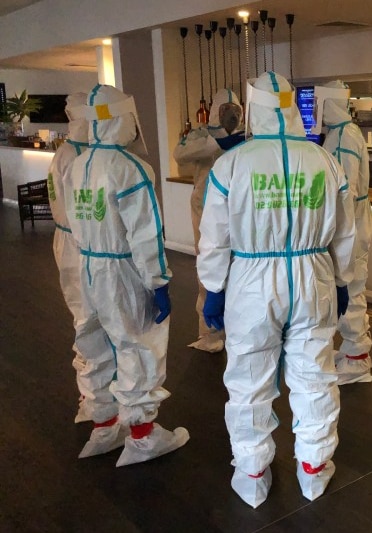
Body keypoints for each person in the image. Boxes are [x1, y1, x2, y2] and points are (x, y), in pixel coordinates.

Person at [197, 71, 355, 507]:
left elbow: (215, 236)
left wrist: (214, 287)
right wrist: (342, 281)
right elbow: (346, 233)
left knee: (249, 378)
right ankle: (313, 469)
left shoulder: (232, 163)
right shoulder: (325, 160)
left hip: (250, 282)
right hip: (314, 275)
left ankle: (252, 474)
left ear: (254, 110)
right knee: (315, 375)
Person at [64, 84, 189, 464]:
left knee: (95, 343)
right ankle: (143, 435)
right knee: (137, 344)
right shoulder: (130, 167)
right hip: (122, 269)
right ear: (123, 118)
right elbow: (145, 233)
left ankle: (104, 425)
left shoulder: (77, 164)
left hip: (86, 266)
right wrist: (159, 281)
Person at [173, 87, 244, 353]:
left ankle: (238, 329)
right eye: (226, 111)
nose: (231, 116)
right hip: (205, 210)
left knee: (240, 270)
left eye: (235, 110)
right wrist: (214, 144)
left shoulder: (247, 137)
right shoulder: (199, 135)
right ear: (215, 112)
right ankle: (210, 333)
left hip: (239, 210)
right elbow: (180, 155)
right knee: (208, 268)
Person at [313, 80, 372, 384]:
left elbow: (343, 191)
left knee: (350, 289)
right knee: (349, 287)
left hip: (348, 227)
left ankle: (358, 359)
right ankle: (353, 350)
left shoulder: (344, 137)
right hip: (350, 226)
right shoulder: (340, 133)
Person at [46, 92, 96, 423]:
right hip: (79, 246)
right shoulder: (71, 157)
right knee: (85, 320)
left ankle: (99, 394)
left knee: (93, 319)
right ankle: (91, 398)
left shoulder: (77, 154)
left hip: (81, 245)